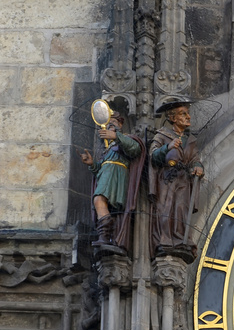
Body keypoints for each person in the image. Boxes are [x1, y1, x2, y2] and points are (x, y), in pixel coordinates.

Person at [78, 109, 143, 250]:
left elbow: (135, 149)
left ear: (120, 124)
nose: (109, 125)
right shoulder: (107, 148)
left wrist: (116, 136)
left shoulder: (126, 139)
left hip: (116, 175)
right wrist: (92, 164)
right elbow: (101, 169)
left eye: (113, 122)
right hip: (107, 175)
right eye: (107, 124)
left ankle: (105, 236)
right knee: (105, 206)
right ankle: (108, 237)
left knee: (98, 200)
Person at [149, 101, 204, 260]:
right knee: (166, 208)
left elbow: (195, 159)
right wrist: (168, 147)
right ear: (173, 118)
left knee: (181, 208)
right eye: (183, 114)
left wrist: (198, 167)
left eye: (187, 113)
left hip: (184, 179)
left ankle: (181, 239)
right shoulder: (162, 135)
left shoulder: (190, 140)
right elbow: (153, 156)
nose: (188, 117)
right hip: (167, 178)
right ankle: (165, 239)